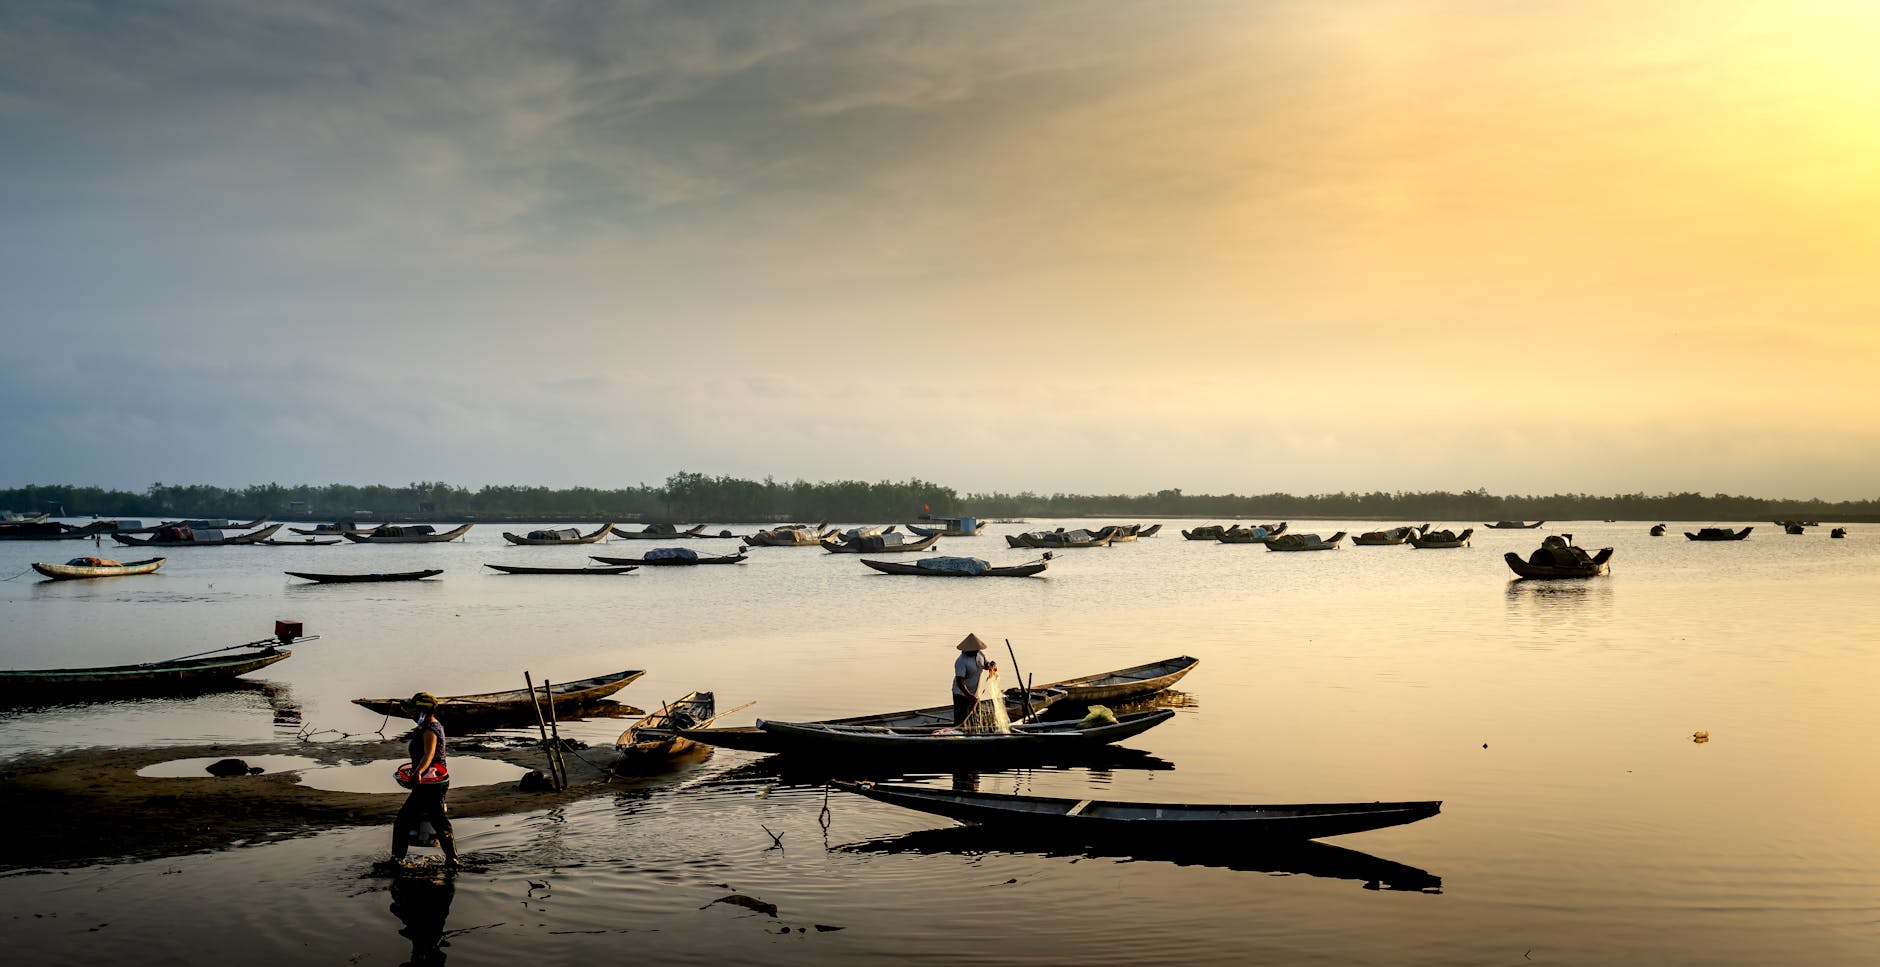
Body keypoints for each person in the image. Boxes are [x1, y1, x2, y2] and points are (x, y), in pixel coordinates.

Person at [392, 691, 460, 868]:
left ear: (425, 711)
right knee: (435, 821)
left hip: (431, 784)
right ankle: (452, 860)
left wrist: (418, 772)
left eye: (414, 711)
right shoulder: (429, 726)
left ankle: (398, 861)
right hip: (429, 782)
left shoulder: (430, 729)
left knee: (405, 821)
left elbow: (429, 755)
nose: (412, 715)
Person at [951, 634, 997, 727]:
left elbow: (985, 664)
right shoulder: (961, 661)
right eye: (973, 650)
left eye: (976, 650)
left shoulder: (979, 654)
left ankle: (973, 734)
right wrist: (969, 696)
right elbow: (959, 682)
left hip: (974, 694)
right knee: (961, 722)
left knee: (974, 720)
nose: (975, 651)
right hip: (961, 694)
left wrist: (991, 666)